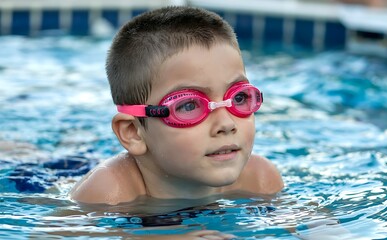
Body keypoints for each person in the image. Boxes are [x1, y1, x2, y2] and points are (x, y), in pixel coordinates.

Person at [69, 5, 283, 209]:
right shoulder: (109, 193)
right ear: (133, 132)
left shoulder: (259, 180)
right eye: (189, 105)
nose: (226, 124)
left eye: (238, 98)